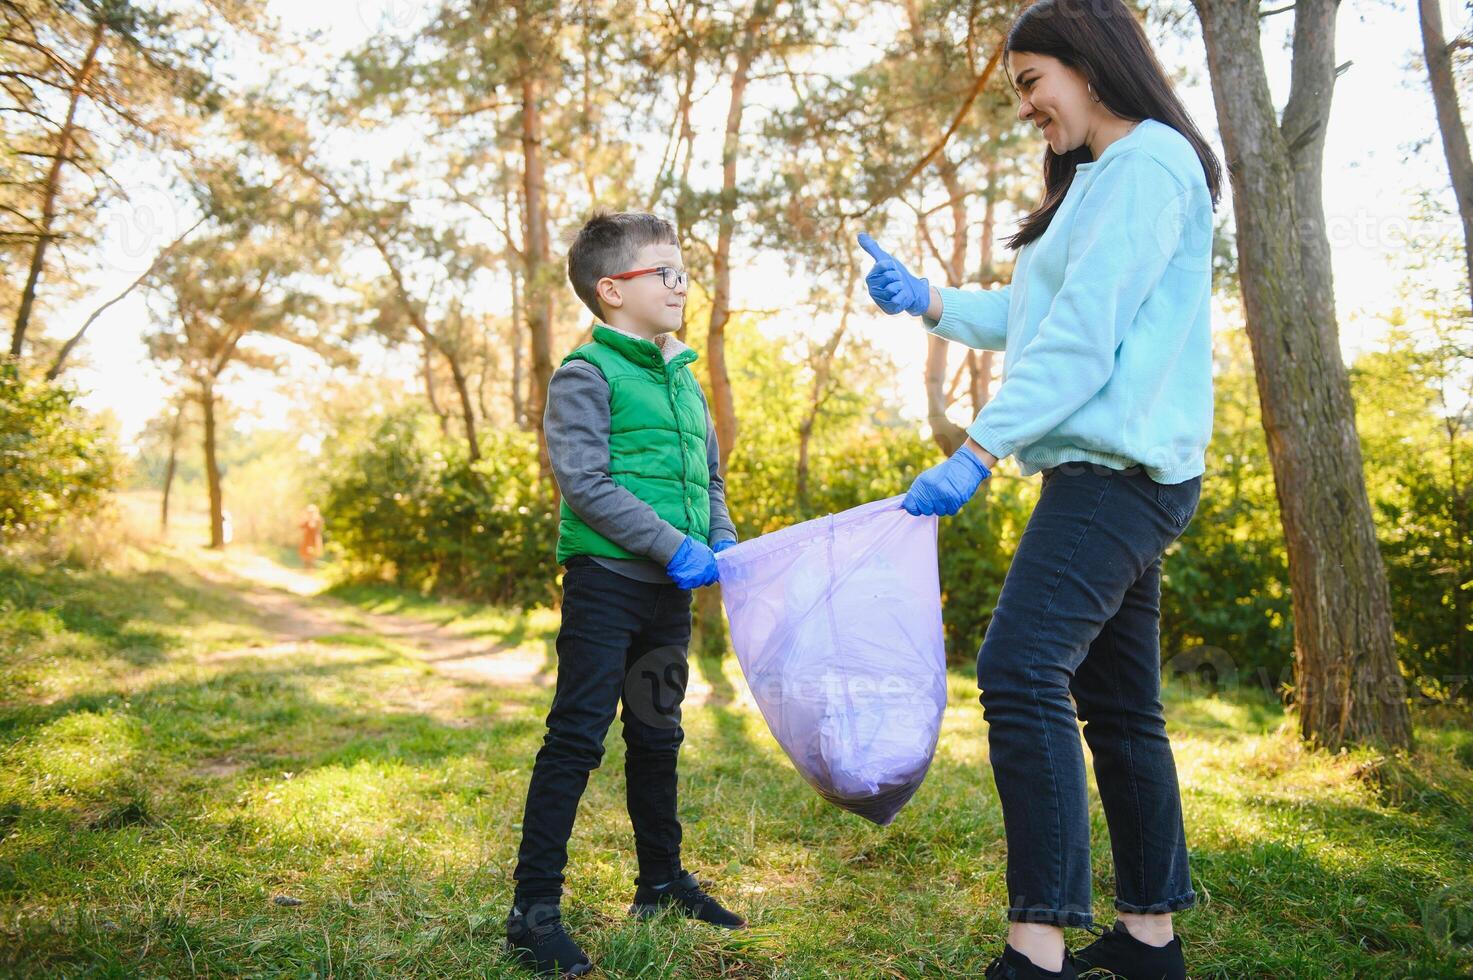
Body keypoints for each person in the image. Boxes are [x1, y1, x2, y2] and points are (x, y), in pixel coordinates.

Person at [859, 2, 1221, 978]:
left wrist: (976, 452)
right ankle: (1150, 940)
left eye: (1031, 83)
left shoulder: (1151, 164)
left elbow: (1078, 340)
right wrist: (926, 299)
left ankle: (1037, 946)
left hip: (1118, 475)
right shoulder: (1105, 177)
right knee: (1123, 709)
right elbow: (1034, 312)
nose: (1026, 106)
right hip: (1123, 472)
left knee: (1020, 673)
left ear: (1091, 64)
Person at [504, 210, 745, 977]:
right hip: (607, 587)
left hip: (667, 601)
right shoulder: (587, 374)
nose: (681, 285)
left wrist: (723, 537)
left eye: (683, 272)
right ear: (612, 290)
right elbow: (584, 483)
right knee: (577, 737)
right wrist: (671, 544)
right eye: (664, 273)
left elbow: (707, 480)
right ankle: (532, 910)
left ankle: (661, 882)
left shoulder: (685, 382)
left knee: (656, 734)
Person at [297, 504, 324, 570]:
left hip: (314, 539)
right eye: (309, 512)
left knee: (312, 555)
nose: (310, 513)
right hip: (307, 539)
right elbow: (301, 526)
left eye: (312, 512)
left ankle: (311, 568)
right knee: (305, 554)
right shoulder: (306, 520)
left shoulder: (318, 520)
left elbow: (317, 528)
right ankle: (306, 568)